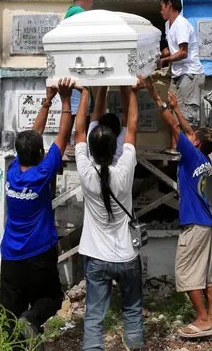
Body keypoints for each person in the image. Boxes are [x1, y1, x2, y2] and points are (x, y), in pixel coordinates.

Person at [143, 76, 212, 339]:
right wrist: (178, 108)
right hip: (205, 222)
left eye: (192, 137)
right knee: (205, 272)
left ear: (195, 143)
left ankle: (201, 319)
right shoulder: (204, 158)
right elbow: (189, 132)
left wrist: (156, 95)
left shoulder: (190, 153)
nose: (189, 136)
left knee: (186, 272)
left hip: (193, 223)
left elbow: (176, 129)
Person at [0, 78, 77, 347]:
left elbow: (33, 137)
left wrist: (48, 100)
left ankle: (19, 340)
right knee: (52, 298)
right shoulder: (42, 174)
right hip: (38, 255)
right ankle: (32, 320)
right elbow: (63, 136)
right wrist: (66, 100)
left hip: (10, 256)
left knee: (9, 313)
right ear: (41, 154)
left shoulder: (12, 172)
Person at [75, 81, 143, 351]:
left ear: (90, 149)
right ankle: (135, 347)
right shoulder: (124, 170)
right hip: (127, 256)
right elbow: (133, 124)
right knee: (132, 311)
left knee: (93, 316)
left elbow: (80, 129)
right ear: (116, 144)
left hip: (96, 258)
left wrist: (84, 93)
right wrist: (133, 90)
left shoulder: (85, 171)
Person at [157, 0, 205, 152]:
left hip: (189, 73)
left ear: (170, 5)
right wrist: (159, 55)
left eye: (162, 7)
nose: (161, 11)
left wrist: (164, 61)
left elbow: (183, 52)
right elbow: (172, 49)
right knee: (172, 109)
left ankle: (190, 150)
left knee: (187, 115)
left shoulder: (181, 24)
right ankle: (175, 147)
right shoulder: (167, 25)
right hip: (178, 73)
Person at [64, 0, 100, 118]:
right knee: (78, 117)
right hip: (76, 74)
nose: (93, 0)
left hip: (77, 72)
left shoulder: (73, 13)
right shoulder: (78, 13)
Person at [86, 86, 129, 165]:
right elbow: (127, 115)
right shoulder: (120, 146)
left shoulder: (93, 138)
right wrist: (124, 83)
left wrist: (104, 83)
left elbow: (97, 110)